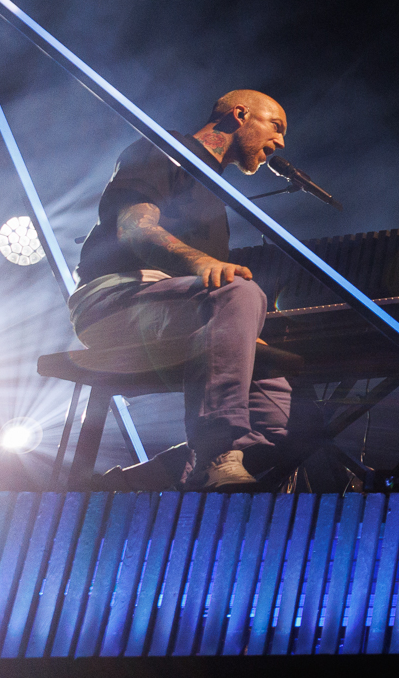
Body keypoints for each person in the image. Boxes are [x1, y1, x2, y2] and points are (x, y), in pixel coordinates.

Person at [66, 90, 290, 490]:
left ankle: (122, 488)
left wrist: (242, 328)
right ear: (240, 115)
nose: (281, 142)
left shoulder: (212, 192)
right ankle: (216, 453)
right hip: (114, 301)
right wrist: (205, 266)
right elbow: (134, 229)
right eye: (276, 126)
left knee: (280, 421)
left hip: (175, 309)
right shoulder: (166, 149)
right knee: (240, 291)